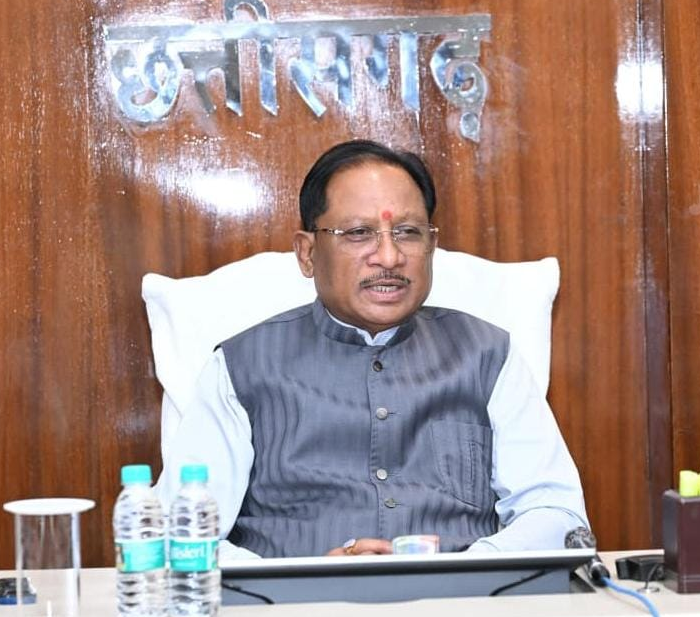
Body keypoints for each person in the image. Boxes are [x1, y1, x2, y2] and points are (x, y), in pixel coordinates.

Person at [156, 139, 588, 559]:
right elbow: (177, 534)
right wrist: (301, 580)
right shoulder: (242, 367)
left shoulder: (488, 356)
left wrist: (469, 567)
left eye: (408, 233)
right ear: (307, 253)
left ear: (431, 246)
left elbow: (557, 515)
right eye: (359, 233)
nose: (389, 256)